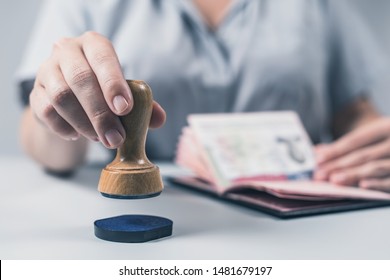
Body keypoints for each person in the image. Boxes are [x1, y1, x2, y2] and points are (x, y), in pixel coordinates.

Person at [17, 0, 390, 191]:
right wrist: (55, 115)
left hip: (301, 215)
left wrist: (373, 146)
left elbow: (353, 111)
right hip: (160, 218)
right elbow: (49, 147)